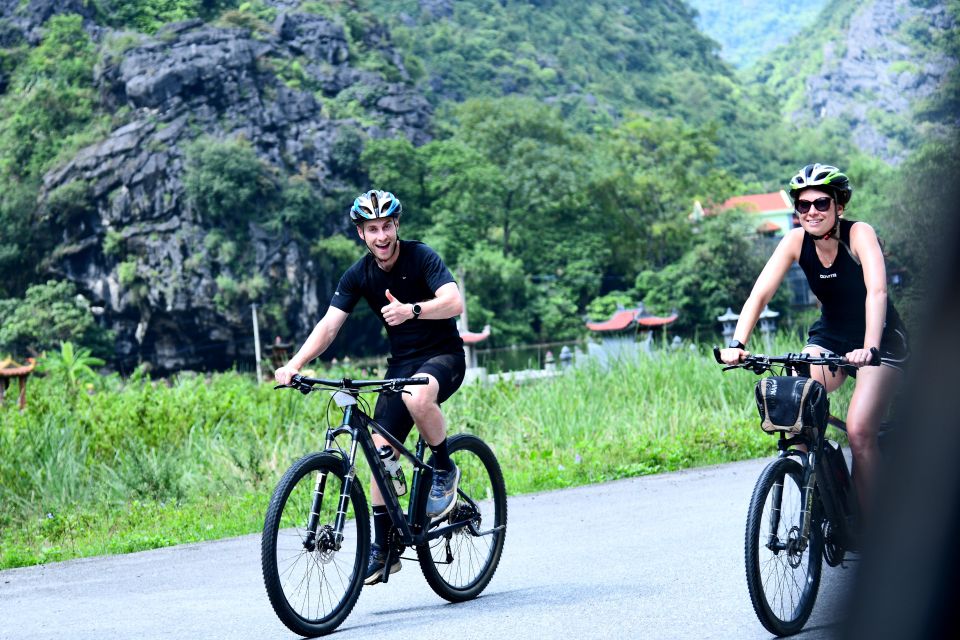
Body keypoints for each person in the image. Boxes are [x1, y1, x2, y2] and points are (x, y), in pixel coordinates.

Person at [274, 189, 466, 585]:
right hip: (401, 365)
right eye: (372, 229)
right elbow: (329, 326)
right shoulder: (359, 274)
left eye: (386, 227)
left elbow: (454, 302)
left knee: (417, 395)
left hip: (444, 356)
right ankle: (384, 549)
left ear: (397, 226)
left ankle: (444, 467)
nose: (381, 236)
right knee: (380, 454)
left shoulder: (421, 257)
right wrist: (295, 364)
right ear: (361, 233)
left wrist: (412, 309)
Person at [719, 163, 908, 516]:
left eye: (821, 203)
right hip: (830, 336)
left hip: (879, 338)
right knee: (798, 405)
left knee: (859, 431)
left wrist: (869, 348)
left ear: (840, 205)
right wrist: (738, 345)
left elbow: (877, 291)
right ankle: (815, 497)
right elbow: (759, 295)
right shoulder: (794, 241)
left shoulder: (859, 234)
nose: (812, 212)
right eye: (803, 205)